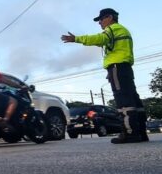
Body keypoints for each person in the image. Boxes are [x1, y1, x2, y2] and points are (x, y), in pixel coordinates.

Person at [60, 8, 149, 144]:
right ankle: (141, 132)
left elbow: (101, 39)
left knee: (124, 101)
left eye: (101, 19)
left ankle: (130, 133)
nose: (99, 22)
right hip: (124, 67)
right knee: (134, 100)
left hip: (117, 67)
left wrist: (77, 39)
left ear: (110, 17)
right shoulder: (122, 29)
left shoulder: (113, 29)